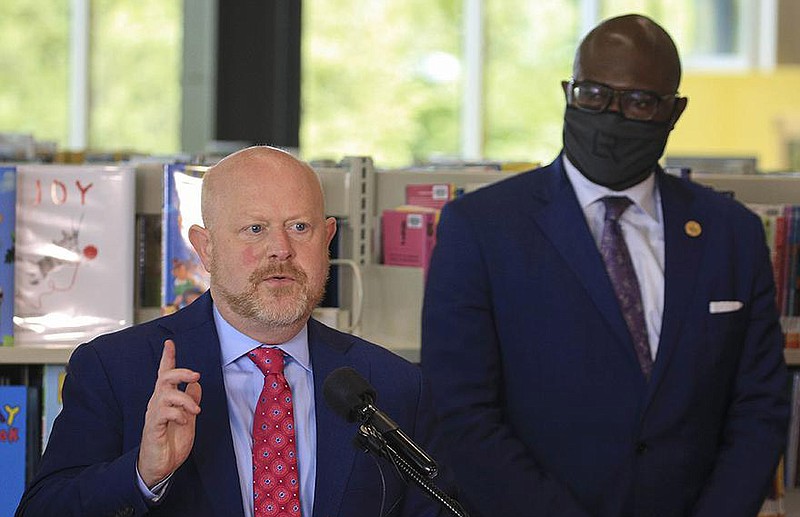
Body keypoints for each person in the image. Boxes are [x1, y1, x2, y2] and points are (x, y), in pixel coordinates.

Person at [421, 14, 788, 517]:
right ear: (568, 92)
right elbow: (462, 414)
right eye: (593, 94)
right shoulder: (481, 228)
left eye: (639, 102)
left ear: (674, 111)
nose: (611, 117)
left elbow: (760, 407)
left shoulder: (732, 234)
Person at [17, 146, 450, 517]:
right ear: (205, 248)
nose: (281, 248)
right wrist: (142, 474)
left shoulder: (393, 383)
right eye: (254, 229)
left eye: (300, 227)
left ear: (328, 239)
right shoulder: (117, 369)